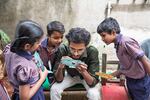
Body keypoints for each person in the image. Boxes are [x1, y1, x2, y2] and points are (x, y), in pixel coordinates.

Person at [97, 17, 150, 100]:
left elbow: (144, 59)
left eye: (104, 35)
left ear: (113, 32)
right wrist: (109, 76)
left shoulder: (126, 42)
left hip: (140, 82)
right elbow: (125, 68)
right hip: (131, 80)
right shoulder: (118, 45)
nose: (102, 39)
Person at [50, 27, 100, 100]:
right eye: (72, 49)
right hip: (70, 75)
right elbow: (58, 80)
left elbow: (92, 83)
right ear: (68, 44)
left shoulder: (92, 51)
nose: (76, 53)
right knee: (54, 89)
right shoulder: (63, 48)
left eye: (80, 50)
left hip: (86, 77)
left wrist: (83, 72)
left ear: (86, 46)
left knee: (94, 93)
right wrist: (60, 67)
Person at [3, 20, 48, 100]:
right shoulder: (25, 67)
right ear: (27, 46)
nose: (40, 44)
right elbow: (24, 97)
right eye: (38, 42)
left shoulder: (9, 50)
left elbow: (6, 71)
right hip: (33, 96)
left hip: (17, 92)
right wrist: (42, 78)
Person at [37, 21, 65, 89]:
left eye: (61, 37)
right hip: (40, 78)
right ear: (48, 36)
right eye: (56, 38)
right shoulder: (38, 47)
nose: (59, 40)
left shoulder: (61, 49)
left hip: (54, 78)